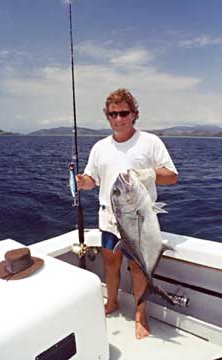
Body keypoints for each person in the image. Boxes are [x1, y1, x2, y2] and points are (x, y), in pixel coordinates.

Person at [76, 88, 178, 340]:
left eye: (123, 113)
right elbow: (93, 179)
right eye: (113, 114)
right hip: (110, 220)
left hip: (139, 219)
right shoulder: (100, 147)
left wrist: (150, 174)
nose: (118, 118)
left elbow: (173, 176)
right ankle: (112, 302)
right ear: (107, 116)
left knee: (137, 268)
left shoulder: (150, 142)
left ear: (133, 114)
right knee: (110, 263)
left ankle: (141, 316)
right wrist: (83, 181)